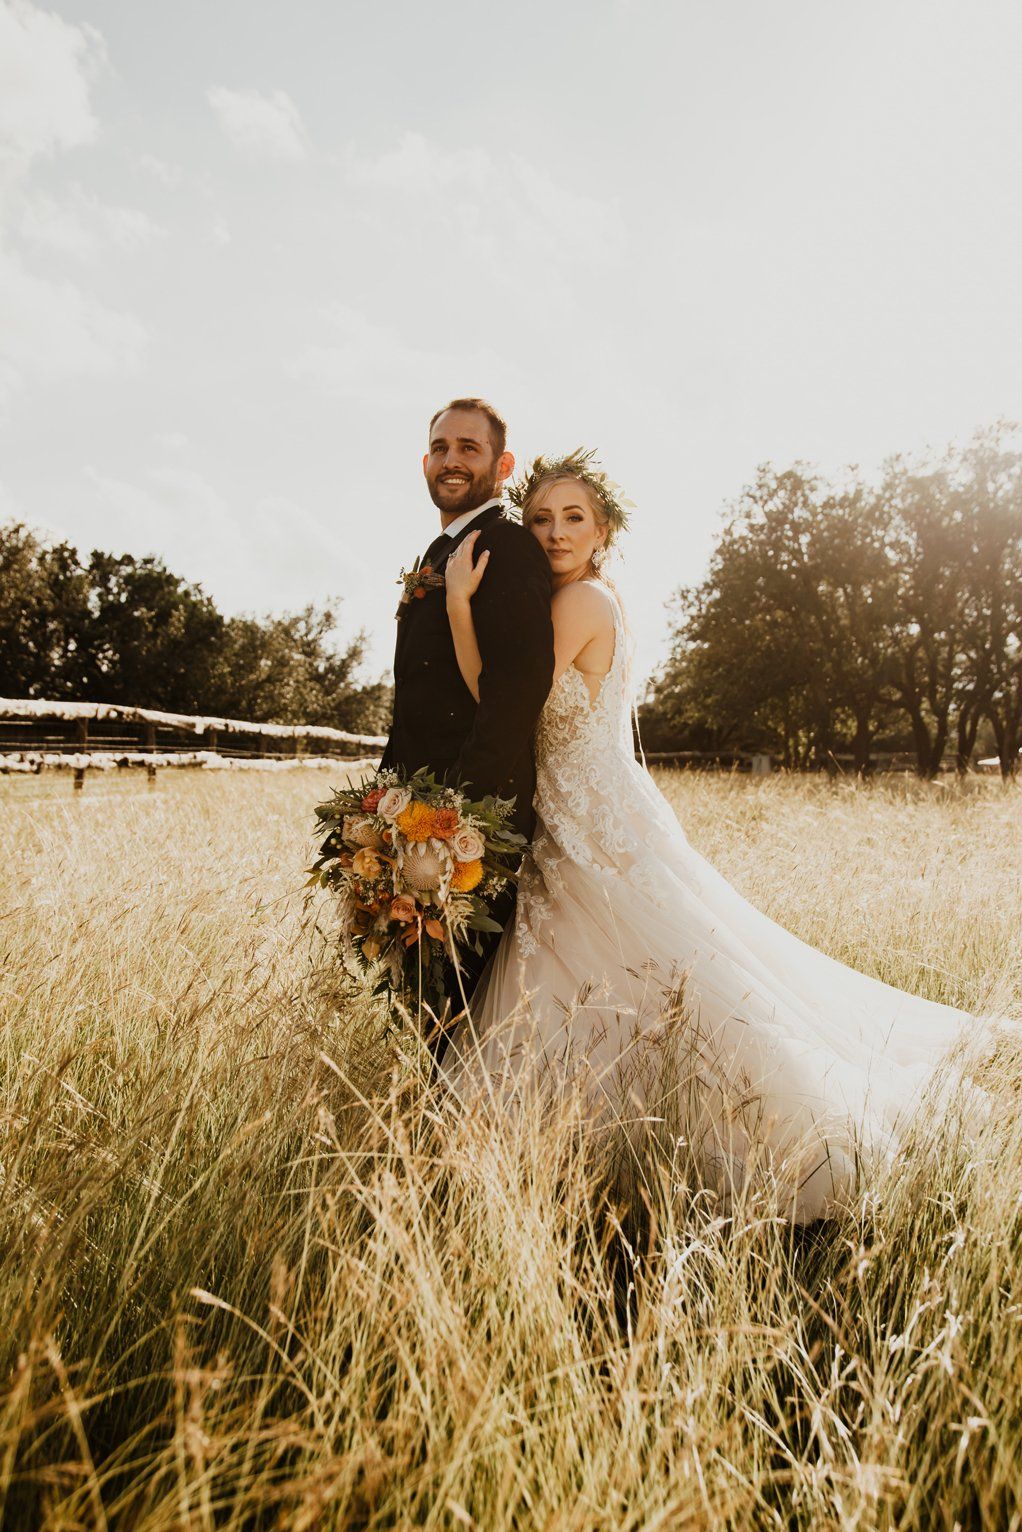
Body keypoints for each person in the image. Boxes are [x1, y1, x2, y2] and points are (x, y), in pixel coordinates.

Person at [438, 449, 995, 1222]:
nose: (556, 532)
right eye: (540, 518)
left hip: (593, 826)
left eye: (574, 518)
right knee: (625, 979)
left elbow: (504, 701)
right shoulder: (591, 599)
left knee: (665, 982)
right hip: (590, 814)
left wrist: (460, 608)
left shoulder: (579, 606)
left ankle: (759, 1145)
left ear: (603, 530)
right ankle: (580, 1147)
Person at [378, 398, 554, 1060]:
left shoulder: (508, 547)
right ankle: (423, 1137)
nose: (452, 460)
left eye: (469, 449)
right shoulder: (440, 548)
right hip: (414, 813)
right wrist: (386, 801)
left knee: (453, 1000)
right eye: (441, 447)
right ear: (426, 461)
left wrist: (464, 817)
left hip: (470, 823)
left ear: (502, 465)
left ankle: (444, 1145)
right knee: (420, 997)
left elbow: (517, 691)